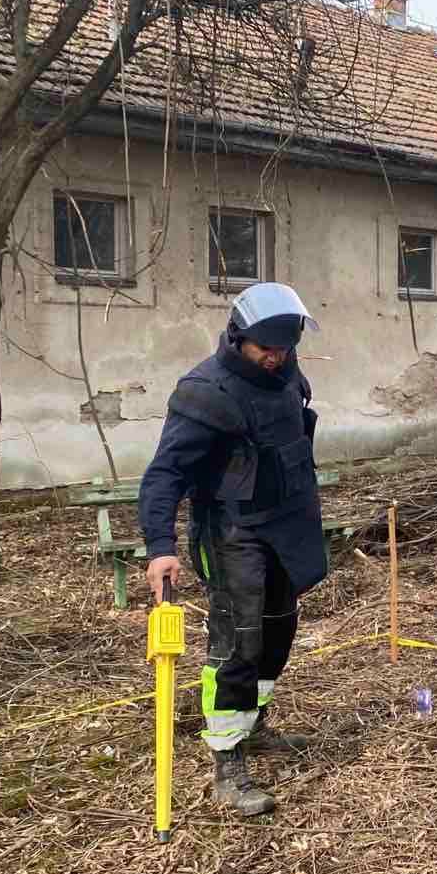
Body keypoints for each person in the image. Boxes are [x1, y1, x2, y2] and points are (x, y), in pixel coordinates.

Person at [138, 282, 330, 817]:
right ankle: (227, 758)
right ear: (238, 337)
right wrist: (160, 545)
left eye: (285, 347)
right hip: (232, 532)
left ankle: (256, 723)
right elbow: (164, 474)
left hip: (286, 526)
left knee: (278, 630)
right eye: (266, 348)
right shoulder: (205, 393)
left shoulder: (287, 374)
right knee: (239, 642)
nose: (276, 357)